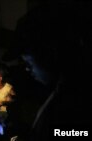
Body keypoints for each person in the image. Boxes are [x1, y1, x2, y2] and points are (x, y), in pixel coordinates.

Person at [14, 1, 91, 140]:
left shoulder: (75, 103)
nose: (27, 68)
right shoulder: (61, 89)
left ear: (51, 53)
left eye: (29, 61)